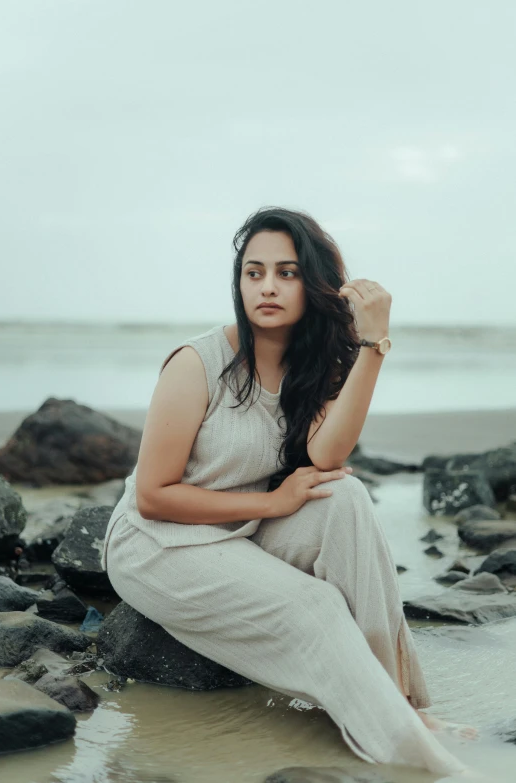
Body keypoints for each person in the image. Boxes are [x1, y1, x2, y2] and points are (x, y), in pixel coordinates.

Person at [101, 206, 471, 776]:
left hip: (240, 532)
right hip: (156, 543)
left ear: (313, 283)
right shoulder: (197, 364)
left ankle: (396, 704)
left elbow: (328, 456)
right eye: (254, 272)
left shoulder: (312, 365)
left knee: (345, 500)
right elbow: (153, 495)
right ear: (239, 282)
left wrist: (373, 344)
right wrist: (273, 504)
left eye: (286, 272)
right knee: (318, 606)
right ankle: (413, 758)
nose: (267, 286)